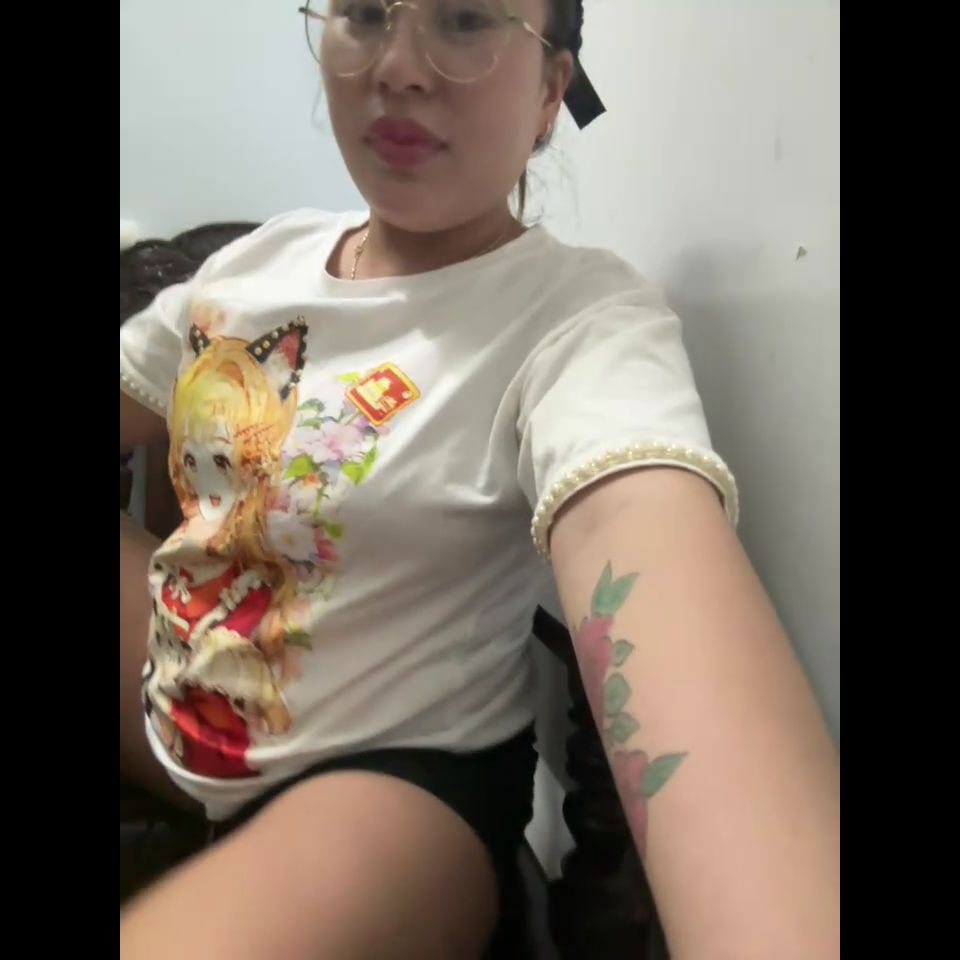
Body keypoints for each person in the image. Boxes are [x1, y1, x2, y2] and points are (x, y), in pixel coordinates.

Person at [119, 1, 840, 957]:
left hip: (383, 791)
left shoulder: (579, 323)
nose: (398, 65)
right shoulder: (259, 264)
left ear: (550, 91)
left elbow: (643, 530)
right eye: (365, 13)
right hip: (173, 698)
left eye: (465, 19)